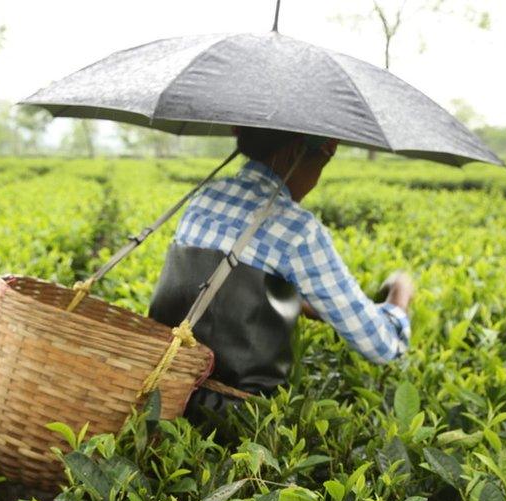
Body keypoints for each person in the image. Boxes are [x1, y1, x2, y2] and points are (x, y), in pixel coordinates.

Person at [147, 126, 414, 425]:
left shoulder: (202, 198)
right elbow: (381, 345)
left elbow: (216, 292)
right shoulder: (296, 229)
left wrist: (297, 301)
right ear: (293, 153)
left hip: (159, 396)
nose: (315, 180)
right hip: (237, 423)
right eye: (321, 165)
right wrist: (399, 293)